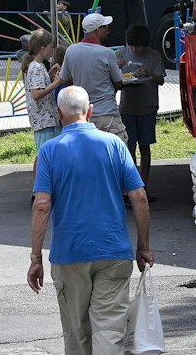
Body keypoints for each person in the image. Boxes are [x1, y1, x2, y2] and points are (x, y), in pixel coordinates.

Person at [27, 85, 152, 355]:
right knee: (109, 333)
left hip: (70, 255)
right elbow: (139, 197)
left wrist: (35, 259)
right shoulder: (115, 145)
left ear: (59, 114)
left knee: (77, 333)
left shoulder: (49, 151)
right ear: (90, 111)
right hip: (113, 252)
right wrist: (143, 247)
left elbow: (41, 206)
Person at [60, 12, 127, 140]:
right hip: (107, 113)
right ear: (97, 30)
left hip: (82, 114)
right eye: (105, 26)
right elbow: (119, 82)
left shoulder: (71, 50)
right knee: (115, 152)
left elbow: (65, 79)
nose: (108, 29)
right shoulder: (107, 53)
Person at [118, 25, 167, 189]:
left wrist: (149, 73)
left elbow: (161, 80)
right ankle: (133, 185)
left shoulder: (153, 56)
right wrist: (115, 65)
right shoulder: (121, 54)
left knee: (145, 146)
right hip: (127, 107)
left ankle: (143, 185)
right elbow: (114, 79)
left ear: (144, 43)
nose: (133, 48)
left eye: (137, 45)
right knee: (129, 146)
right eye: (131, 45)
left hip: (148, 107)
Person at [21, 30, 65, 156]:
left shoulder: (37, 66)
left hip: (45, 121)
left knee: (47, 156)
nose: (52, 50)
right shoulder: (36, 68)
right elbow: (36, 94)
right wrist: (56, 83)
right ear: (42, 48)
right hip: (44, 121)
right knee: (46, 156)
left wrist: (50, 76)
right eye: (51, 47)